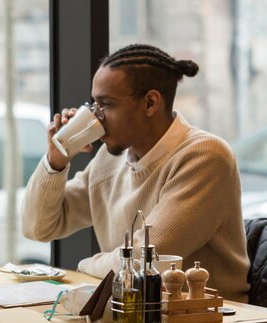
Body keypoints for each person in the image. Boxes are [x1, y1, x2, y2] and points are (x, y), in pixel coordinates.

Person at [22, 44, 249, 305]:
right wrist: (56, 160)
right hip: (131, 314)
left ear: (151, 102)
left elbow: (144, 261)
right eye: (93, 104)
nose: (96, 117)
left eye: (106, 104)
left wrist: (85, 265)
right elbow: (38, 227)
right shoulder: (110, 159)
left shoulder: (204, 155)